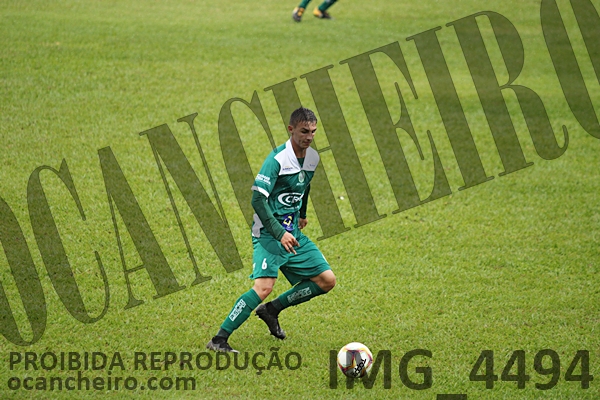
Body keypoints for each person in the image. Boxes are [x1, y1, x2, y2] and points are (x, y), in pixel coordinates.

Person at [206, 107, 336, 353]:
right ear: (291, 130)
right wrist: (279, 233)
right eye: (304, 131)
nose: (309, 137)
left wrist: (302, 214)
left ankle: (271, 310)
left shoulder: (312, 158)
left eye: (313, 132)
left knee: (326, 280)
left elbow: (305, 186)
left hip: (292, 234)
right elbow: (257, 199)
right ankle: (219, 339)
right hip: (269, 234)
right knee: (264, 287)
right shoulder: (277, 160)